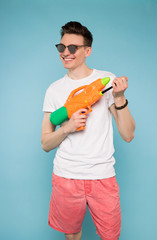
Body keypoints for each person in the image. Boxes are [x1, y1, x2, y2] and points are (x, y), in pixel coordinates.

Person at [41, 21, 135, 240]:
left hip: (102, 176)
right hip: (66, 176)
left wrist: (120, 98)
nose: (66, 53)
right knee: (72, 234)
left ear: (87, 51)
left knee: (110, 236)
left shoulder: (106, 82)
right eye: (61, 47)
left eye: (73, 48)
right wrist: (68, 128)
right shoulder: (54, 90)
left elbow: (128, 135)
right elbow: (45, 144)